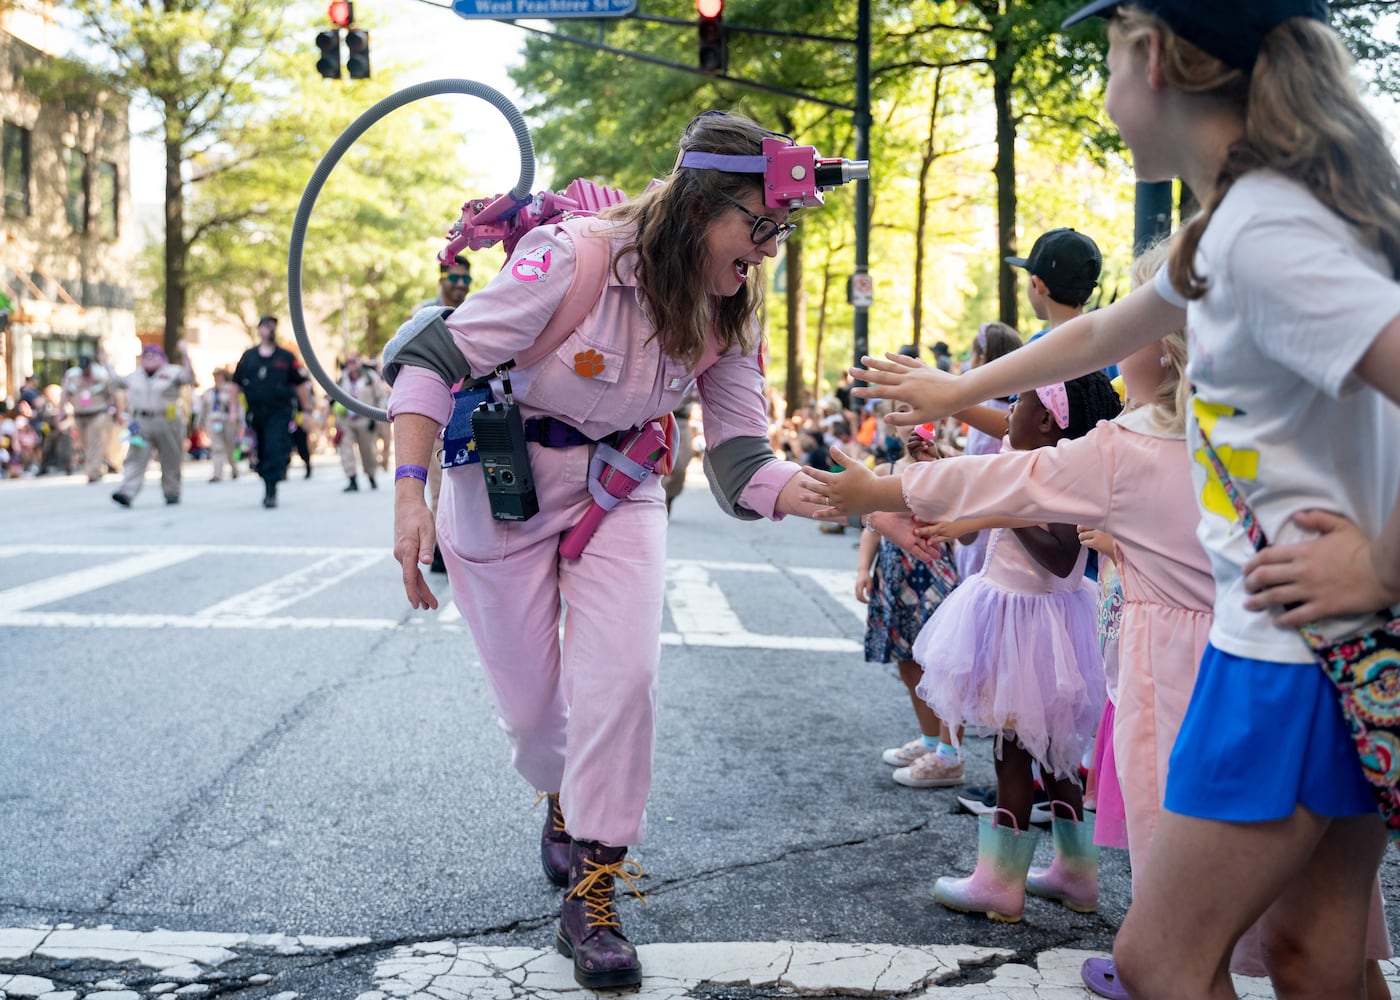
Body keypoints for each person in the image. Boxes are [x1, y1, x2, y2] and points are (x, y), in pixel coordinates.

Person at [848, 2, 1400, 995]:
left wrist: (1377, 559)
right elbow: (1096, 334)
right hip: (1329, 647)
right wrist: (955, 389)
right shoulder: (1242, 222)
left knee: (1159, 958)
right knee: (1317, 958)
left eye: (1107, 49)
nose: (1103, 76)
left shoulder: (1262, 231)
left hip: (1284, 650)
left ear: (1153, 57)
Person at [384, 110, 832, 989]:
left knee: (621, 683)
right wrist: (408, 490)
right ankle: (560, 792)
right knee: (534, 719)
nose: (769, 251)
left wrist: (861, 499)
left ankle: (592, 890)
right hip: (503, 486)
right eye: (760, 227)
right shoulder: (573, 256)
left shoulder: (730, 311)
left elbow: (742, 461)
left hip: (622, 490)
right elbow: (436, 356)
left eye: (778, 232)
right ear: (702, 205)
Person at [859, 415, 962, 788]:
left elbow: (963, 530)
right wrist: (862, 570)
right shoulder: (883, 470)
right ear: (892, 424)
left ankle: (951, 755)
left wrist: (935, 470)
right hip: (894, 574)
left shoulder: (947, 464)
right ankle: (931, 741)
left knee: (942, 663)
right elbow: (871, 524)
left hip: (933, 571)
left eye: (920, 410)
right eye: (903, 411)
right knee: (907, 662)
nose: (913, 421)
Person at [415, 255, 473, 571]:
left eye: (466, 279)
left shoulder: (475, 310)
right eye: (455, 278)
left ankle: (460, 548)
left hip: (465, 411)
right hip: (437, 413)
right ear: (442, 278)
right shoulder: (424, 314)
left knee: (466, 487)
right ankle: (439, 553)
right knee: (438, 486)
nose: (461, 285)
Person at [233, 316, 310, 509]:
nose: (269, 329)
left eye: (273, 326)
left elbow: (300, 385)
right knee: (261, 450)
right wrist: (234, 409)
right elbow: (236, 384)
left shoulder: (286, 357)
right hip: (256, 413)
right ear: (259, 329)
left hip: (279, 412)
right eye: (266, 326)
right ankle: (267, 475)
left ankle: (271, 489)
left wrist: (307, 410)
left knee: (274, 446)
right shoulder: (249, 357)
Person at [110, 343, 196, 507]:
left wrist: (186, 355)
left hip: (167, 421)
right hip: (141, 422)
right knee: (136, 457)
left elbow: (189, 377)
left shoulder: (172, 372)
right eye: (146, 355)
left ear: (162, 359)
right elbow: (115, 381)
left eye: (153, 355)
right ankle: (127, 491)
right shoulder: (135, 376)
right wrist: (106, 362)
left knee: (171, 458)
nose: (149, 358)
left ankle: (172, 492)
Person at [61, 355, 117, 483]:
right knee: (85, 444)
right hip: (80, 415)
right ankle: (98, 466)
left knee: (94, 442)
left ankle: (92, 472)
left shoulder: (101, 376)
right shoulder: (73, 377)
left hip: (97, 414)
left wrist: (117, 413)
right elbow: (65, 394)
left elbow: (113, 395)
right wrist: (61, 412)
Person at [336, 351, 386, 492]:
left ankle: (371, 475)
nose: (351, 364)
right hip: (347, 420)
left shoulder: (370, 377)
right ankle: (351, 479)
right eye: (349, 361)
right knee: (346, 449)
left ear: (359, 362)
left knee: (368, 450)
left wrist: (377, 417)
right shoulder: (343, 378)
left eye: (354, 361)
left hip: (366, 419)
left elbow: (381, 397)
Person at [198, 367, 242, 482]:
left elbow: (237, 406)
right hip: (213, 421)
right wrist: (199, 423)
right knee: (217, 447)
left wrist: (240, 421)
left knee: (230, 447)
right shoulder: (209, 392)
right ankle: (217, 474)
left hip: (228, 421)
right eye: (215, 376)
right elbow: (204, 408)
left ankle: (234, 469)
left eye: (219, 376)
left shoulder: (230, 390)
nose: (217, 378)